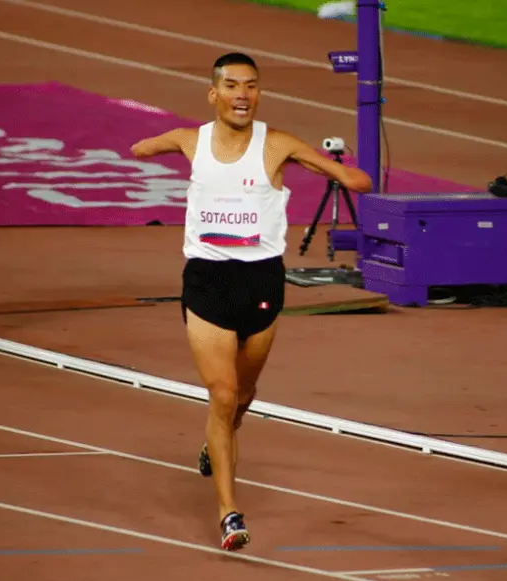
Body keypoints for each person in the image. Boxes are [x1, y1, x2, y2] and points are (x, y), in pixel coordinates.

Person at [130, 52, 372, 551]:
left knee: (241, 397)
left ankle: (213, 440)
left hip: (262, 283)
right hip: (207, 282)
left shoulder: (278, 144)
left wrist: (339, 171)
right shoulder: (191, 140)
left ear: (259, 94)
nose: (243, 94)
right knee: (222, 395)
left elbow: (358, 182)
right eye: (232, 85)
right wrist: (151, 147)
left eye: (252, 86)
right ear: (214, 93)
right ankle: (229, 514)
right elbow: (142, 148)